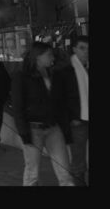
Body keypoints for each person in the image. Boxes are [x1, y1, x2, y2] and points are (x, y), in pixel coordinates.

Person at [11, 41, 74, 186]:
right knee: (32, 172)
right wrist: (23, 132)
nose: (52, 58)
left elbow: (60, 102)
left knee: (64, 170)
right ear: (37, 57)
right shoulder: (22, 76)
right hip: (33, 129)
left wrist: (65, 127)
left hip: (53, 127)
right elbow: (18, 106)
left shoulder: (53, 73)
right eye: (49, 55)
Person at [63, 35, 89, 186]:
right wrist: (71, 118)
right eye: (82, 48)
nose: (86, 52)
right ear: (74, 50)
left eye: (88, 49)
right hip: (77, 121)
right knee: (78, 158)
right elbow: (61, 99)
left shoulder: (87, 68)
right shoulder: (66, 71)